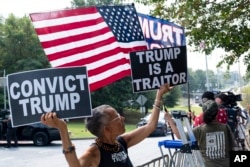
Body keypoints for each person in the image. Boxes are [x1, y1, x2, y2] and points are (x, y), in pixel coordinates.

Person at [41, 83, 172, 167]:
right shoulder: (94, 153)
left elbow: (150, 126)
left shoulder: (121, 142)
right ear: (107, 128)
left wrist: (158, 95)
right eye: (117, 117)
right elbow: (75, 165)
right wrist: (63, 129)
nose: (122, 118)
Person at [165, 100, 236, 167]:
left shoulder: (200, 129)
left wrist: (170, 120)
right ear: (217, 113)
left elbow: (180, 135)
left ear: (203, 113)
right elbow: (233, 148)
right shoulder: (225, 128)